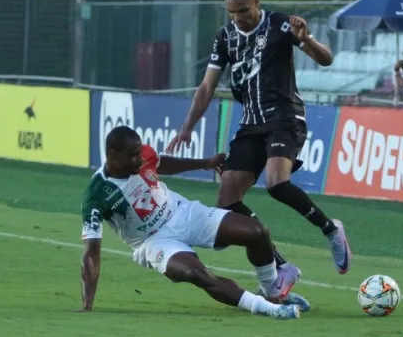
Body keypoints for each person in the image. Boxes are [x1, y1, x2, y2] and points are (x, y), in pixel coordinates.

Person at [166, 0, 351, 278]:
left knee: (277, 183)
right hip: (251, 123)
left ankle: (331, 230)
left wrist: (306, 39)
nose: (239, 17)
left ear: (256, 2)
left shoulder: (280, 24)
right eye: (233, 12)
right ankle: (282, 265)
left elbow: (326, 59)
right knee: (227, 199)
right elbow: (206, 87)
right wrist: (187, 126)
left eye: (243, 10)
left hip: (285, 117)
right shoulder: (225, 37)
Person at [79, 126, 302, 320]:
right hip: (154, 241)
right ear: (114, 155)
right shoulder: (97, 194)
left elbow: (161, 163)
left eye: (140, 153)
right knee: (195, 273)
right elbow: (91, 251)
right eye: (133, 155)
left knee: (256, 231)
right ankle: (266, 308)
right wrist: (87, 303)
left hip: (181, 212)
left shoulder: (140, 155)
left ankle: (271, 291)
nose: (140, 158)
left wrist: (205, 163)